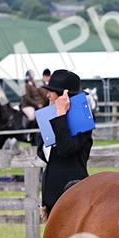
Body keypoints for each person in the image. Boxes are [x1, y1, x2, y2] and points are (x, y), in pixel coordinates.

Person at [37, 69, 93, 220]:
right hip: (52, 198)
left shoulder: (83, 127)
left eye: (51, 92)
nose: (48, 95)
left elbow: (64, 148)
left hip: (72, 195)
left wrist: (61, 113)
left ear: (64, 95)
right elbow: (43, 152)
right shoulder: (52, 119)